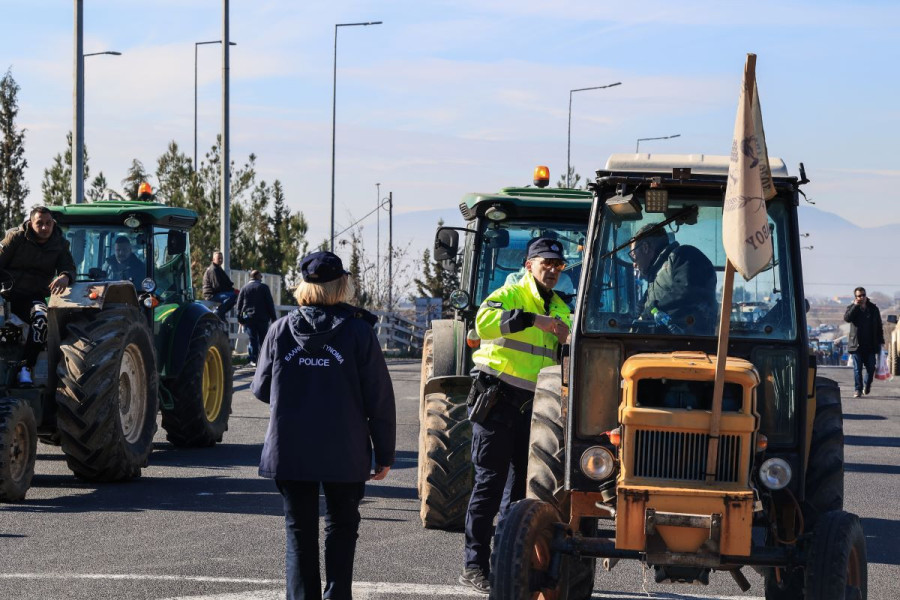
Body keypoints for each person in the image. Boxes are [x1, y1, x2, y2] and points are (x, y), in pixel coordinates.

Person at [251, 251, 396, 600]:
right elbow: (379, 398)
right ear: (341, 285)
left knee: (299, 531)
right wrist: (385, 453)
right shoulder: (360, 332)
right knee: (342, 528)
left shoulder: (279, 330)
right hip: (343, 448)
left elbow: (261, 388)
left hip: (291, 447)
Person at [460, 237, 571, 595]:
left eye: (558, 265)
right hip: (498, 400)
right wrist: (534, 320)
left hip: (537, 407)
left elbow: (567, 345)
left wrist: (565, 335)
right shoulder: (510, 293)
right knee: (488, 487)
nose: (552, 270)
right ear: (529, 265)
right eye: (546, 263)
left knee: (523, 491)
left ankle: (505, 564)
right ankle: (474, 565)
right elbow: (484, 321)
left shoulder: (562, 307)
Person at [0, 206, 76, 385]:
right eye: (39, 223)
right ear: (30, 223)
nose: (44, 228)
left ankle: (25, 367)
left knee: (42, 318)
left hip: (33, 295)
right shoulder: (16, 238)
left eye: (48, 223)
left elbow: (69, 267)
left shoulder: (60, 243)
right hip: (7, 293)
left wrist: (65, 276)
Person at [630, 223, 717, 334]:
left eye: (633, 255)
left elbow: (686, 291)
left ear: (645, 248)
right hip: (659, 345)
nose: (634, 264)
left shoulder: (683, 255)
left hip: (689, 345)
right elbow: (644, 309)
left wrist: (649, 312)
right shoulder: (654, 281)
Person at [843, 286, 884, 398]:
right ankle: (858, 389)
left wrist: (881, 341)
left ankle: (867, 384)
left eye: (863, 295)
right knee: (857, 369)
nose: (862, 297)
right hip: (856, 345)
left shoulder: (873, 309)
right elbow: (847, 318)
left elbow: (879, 326)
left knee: (871, 367)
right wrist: (856, 306)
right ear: (855, 297)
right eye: (859, 296)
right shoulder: (852, 307)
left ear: (866, 295)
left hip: (870, 345)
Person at [236, 269, 277, 366]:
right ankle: (264, 360)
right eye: (260, 276)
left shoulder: (244, 288)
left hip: (248, 318)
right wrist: (273, 317)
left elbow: (239, 305)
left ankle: (253, 359)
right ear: (256, 276)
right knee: (263, 339)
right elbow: (269, 304)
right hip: (262, 318)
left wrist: (240, 318)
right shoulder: (264, 288)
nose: (261, 278)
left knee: (252, 339)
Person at [202, 250, 237, 319]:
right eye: (219, 258)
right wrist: (231, 291)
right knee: (232, 296)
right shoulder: (213, 270)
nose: (221, 260)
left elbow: (227, 282)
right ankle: (218, 312)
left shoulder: (219, 268)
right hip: (212, 295)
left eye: (221, 258)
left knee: (236, 296)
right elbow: (217, 286)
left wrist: (233, 290)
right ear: (213, 259)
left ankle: (221, 313)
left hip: (217, 293)